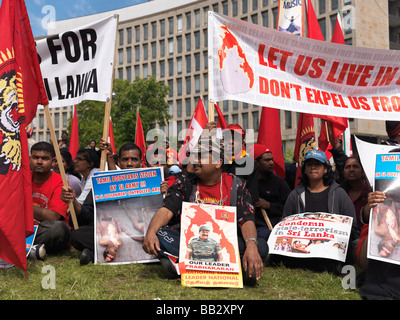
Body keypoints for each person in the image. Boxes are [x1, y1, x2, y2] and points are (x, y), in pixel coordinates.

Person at [142, 133, 267, 285]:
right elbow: (167, 209)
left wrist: (251, 246)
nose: (195, 161)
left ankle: (180, 265)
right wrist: (150, 232)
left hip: (226, 244)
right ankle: (235, 268)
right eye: (194, 156)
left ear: (218, 162)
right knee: (160, 233)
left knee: (260, 246)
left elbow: (246, 219)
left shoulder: (237, 185)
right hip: (191, 243)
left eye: (201, 156)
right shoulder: (185, 182)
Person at [273, 149, 359, 274]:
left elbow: (352, 226)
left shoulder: (339, 194)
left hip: (331, 250)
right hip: (302, 248)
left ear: (325, 169)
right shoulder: (295, 195)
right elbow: (285, 222)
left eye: (317, 164)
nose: (313, 167)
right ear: (305, 170)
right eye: (309, 164)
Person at [61, 142, 144, 265]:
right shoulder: (102, 185)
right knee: (77, 235)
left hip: (139, 233)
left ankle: (93, 252)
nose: (130, 163)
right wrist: (73, 201)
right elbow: (86, 214)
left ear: (141, 163)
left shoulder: (152, 183)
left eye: (134, 160)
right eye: (125, 159)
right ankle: (97, 251)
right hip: (111, 234)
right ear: (119, 163)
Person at [30, 142, 70, 258]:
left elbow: (53, 217)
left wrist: (21, 205)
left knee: (59, 229)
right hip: (23, 228)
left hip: (44, 230)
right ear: (30, 158)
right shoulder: (22, 177)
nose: (39, 161)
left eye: (44, 158)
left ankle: (20, 247)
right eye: (35, 157)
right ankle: (30, 249)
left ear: (53, 161)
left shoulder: (60, 181)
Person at [246, 144, 291, 240]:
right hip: (256, 228)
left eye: (271, 159)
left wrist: (269, 205)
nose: (271, 163)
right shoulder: (245, 183)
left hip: (278, 226)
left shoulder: (279, 183)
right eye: (267, 160)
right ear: (255, 163)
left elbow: (290, 208)